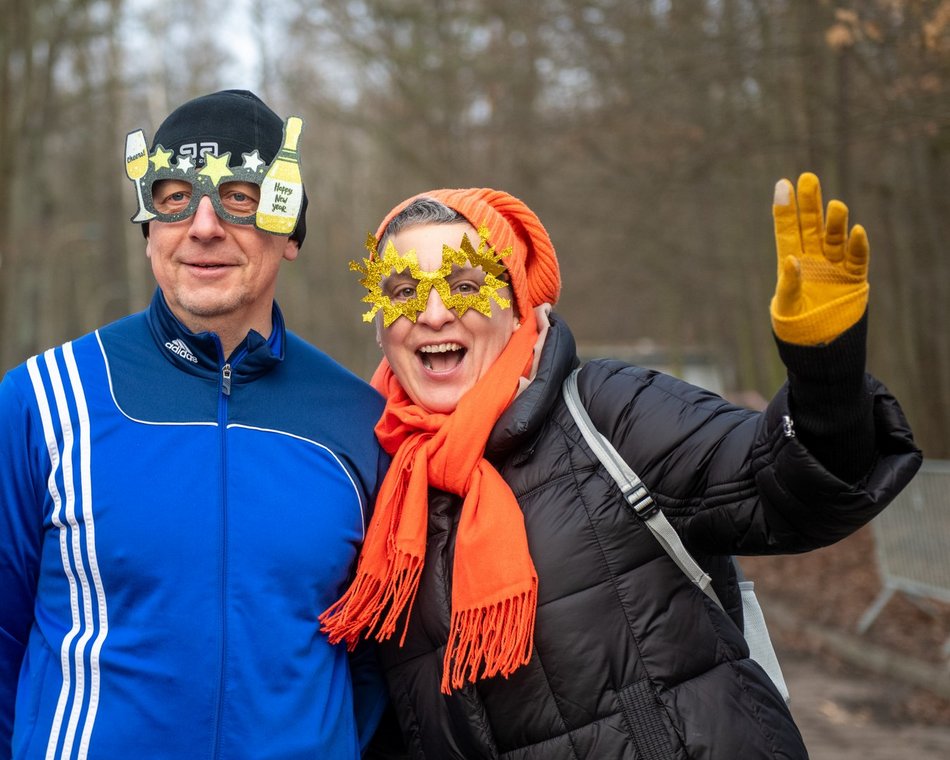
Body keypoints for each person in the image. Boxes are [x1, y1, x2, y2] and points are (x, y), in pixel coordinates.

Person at [320, 179, 922, 759]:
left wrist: (826, 371)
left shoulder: (609, 412)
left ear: (519, 305)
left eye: (464, 285)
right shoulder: (377, 485)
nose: (431, 314)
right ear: (378, 324)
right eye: (401, 291)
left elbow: (791, 485)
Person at [0, 90, 389, 759]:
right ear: (150, 225)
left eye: (240, 197)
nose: (203, 226)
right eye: (174, 195)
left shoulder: (361, 422)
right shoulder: (42, 400)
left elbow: (380, 666)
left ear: (290, 232)